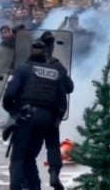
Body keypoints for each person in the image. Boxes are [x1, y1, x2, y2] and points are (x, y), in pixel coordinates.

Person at [3, 40, 68, 190]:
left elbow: (9, 95)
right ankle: (53, 174)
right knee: (50, 146)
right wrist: (57, 118)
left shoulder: (23, 69)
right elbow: (62, 100)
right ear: (45, 54)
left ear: (30, 53)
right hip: (49, 117)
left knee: (18, 157)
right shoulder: (55, 73)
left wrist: (13, 112)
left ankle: (16, 186)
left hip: (27, 117)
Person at [38, 31, 72, 189]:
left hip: (34, 112)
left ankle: (25, 178)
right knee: (52, 145)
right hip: (52, 113)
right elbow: (69, 88)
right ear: (51, 47)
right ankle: (54, 174)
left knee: (30, 147)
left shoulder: (32, 64)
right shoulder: (58, 66)